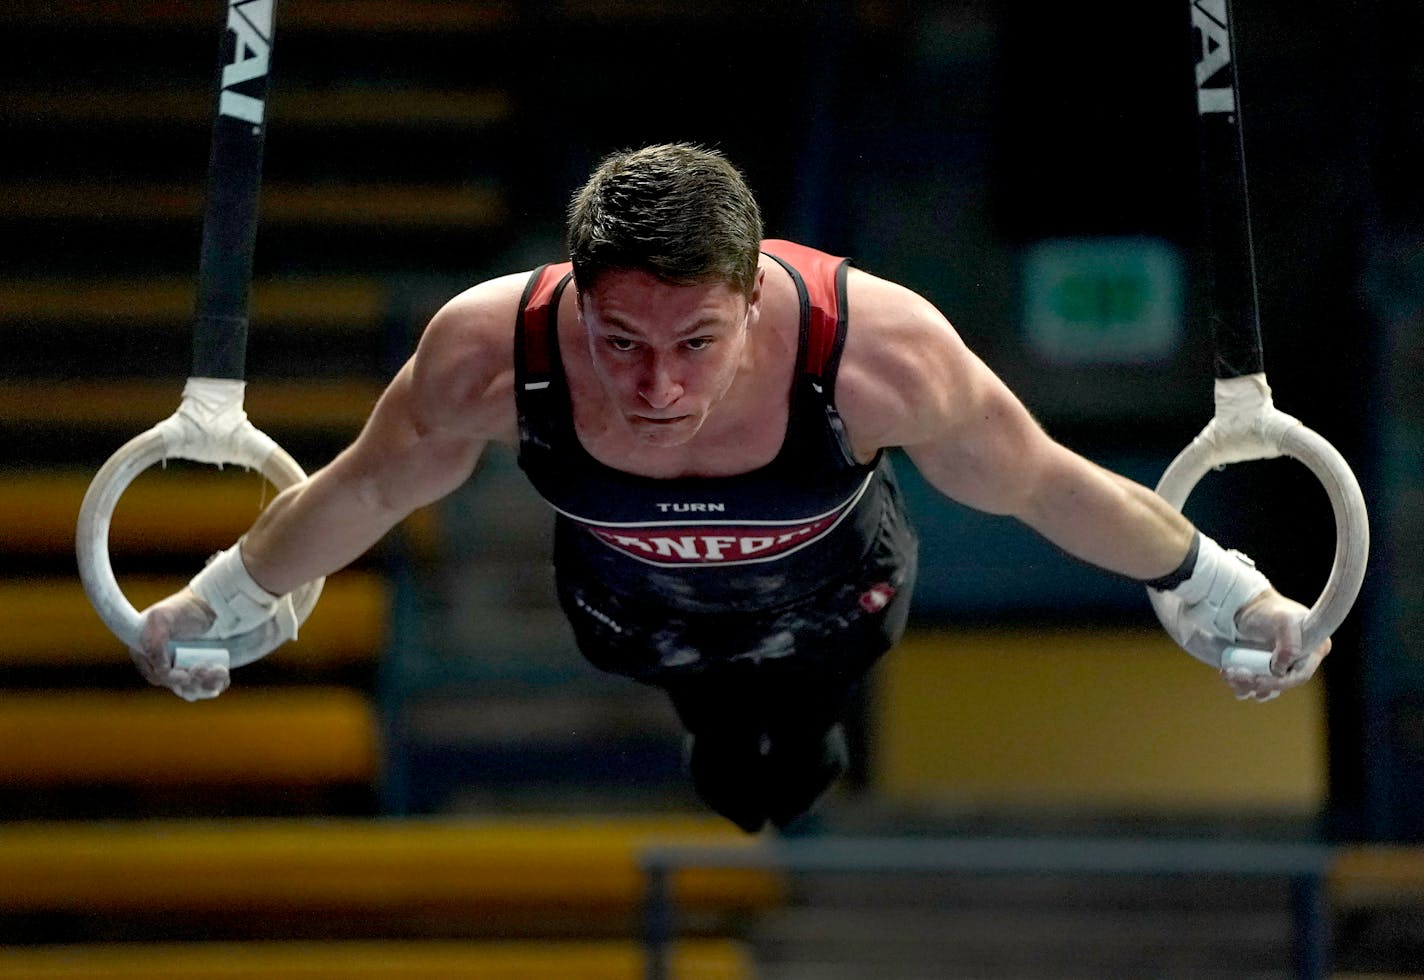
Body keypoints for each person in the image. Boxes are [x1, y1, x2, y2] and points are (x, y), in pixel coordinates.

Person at [133, 143, 1330, 833]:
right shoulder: (484, 352)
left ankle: (800, 738)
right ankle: (726, 736)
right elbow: (360, 492)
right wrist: (216, 599)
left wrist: (1222, 586)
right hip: (627, 613)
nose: (654, 384)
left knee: (800, 743)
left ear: (757, 294)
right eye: (618, 342)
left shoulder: (877, 357)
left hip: (838, 601)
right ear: (575, 299)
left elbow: (1045, 488)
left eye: (694, 342)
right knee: (715, 741)